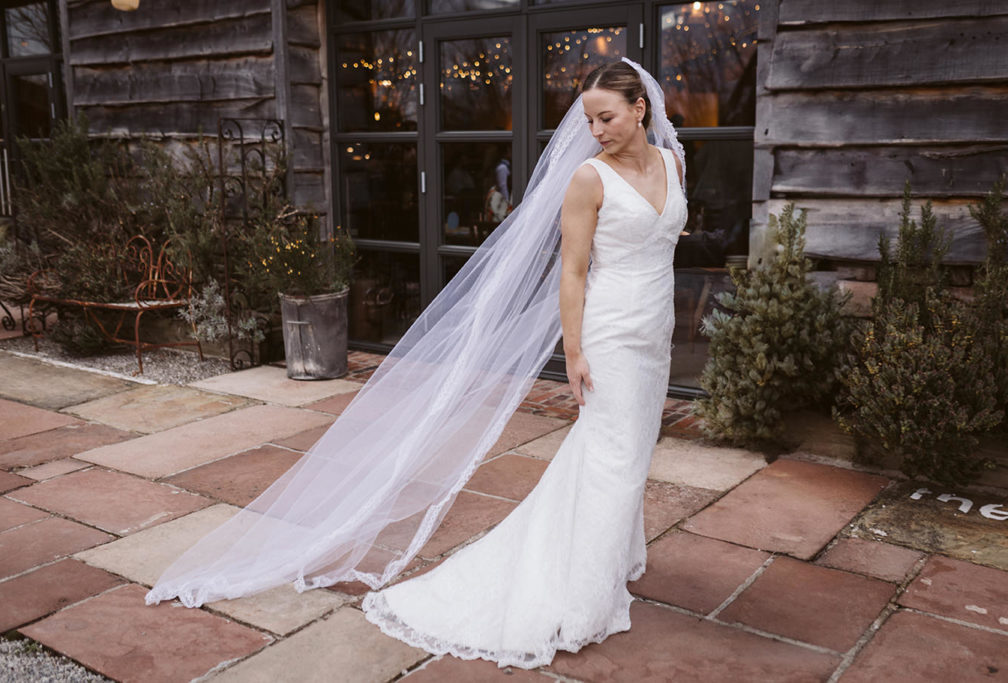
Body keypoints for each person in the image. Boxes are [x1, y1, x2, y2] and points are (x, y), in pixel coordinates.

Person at [146, 58, 685, 671]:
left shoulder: (673, 163)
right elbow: (572, 271)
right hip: (610, 334)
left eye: (606, 117)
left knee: (632, 450)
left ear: (641, 108)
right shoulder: (588, 179)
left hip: (655, 333)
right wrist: (575, 350)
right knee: (609, 453)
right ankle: (583, 591)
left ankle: (613, 552)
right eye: (588, 119)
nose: (596, 129)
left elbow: (660, 246)